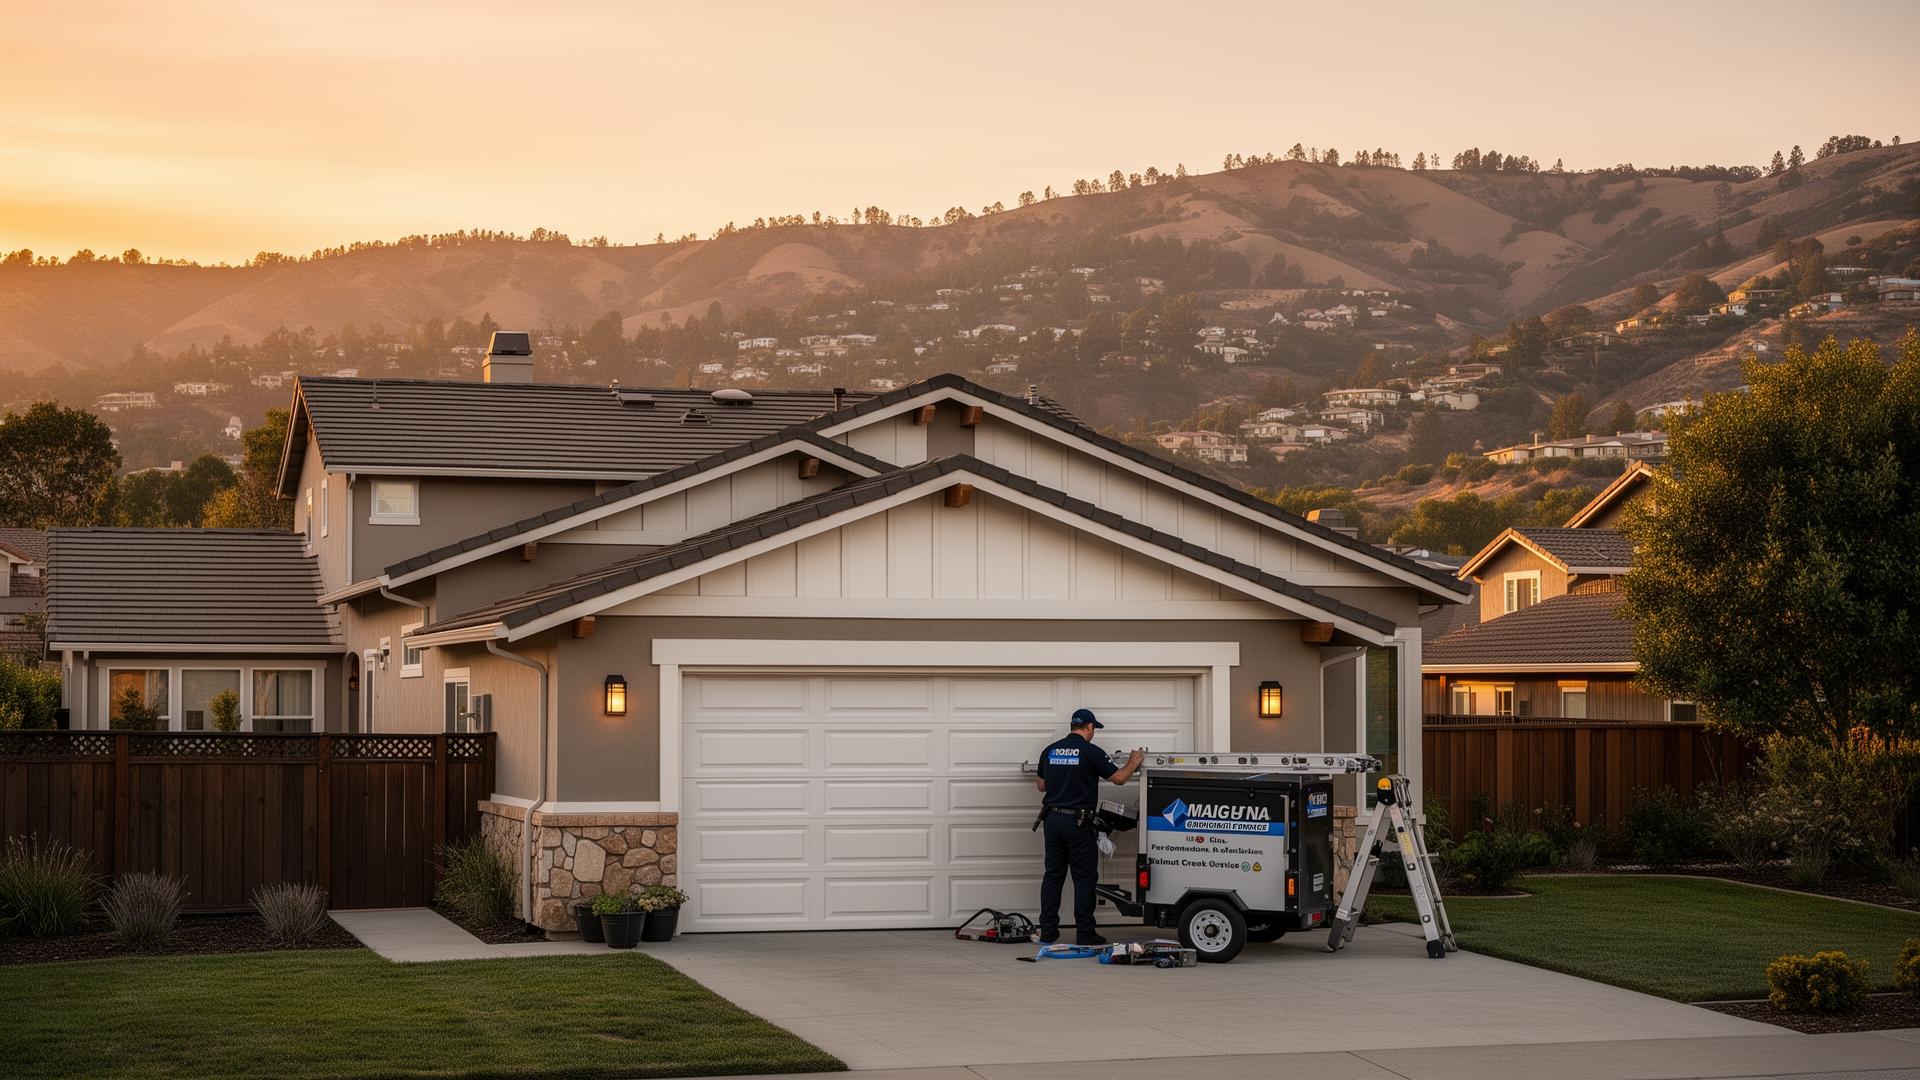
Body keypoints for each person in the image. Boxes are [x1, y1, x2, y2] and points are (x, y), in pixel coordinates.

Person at [1033, 708, 1144, 944]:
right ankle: (1085, 933)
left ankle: (1048, 932)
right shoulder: (1091, 752)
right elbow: (1119, 779)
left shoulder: (1050, 750)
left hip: (1052, 821)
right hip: (1078, 823)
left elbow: (1041, 786)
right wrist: (1133, 763)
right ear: (1090, 727)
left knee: (1053, 876)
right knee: (1084, 879)